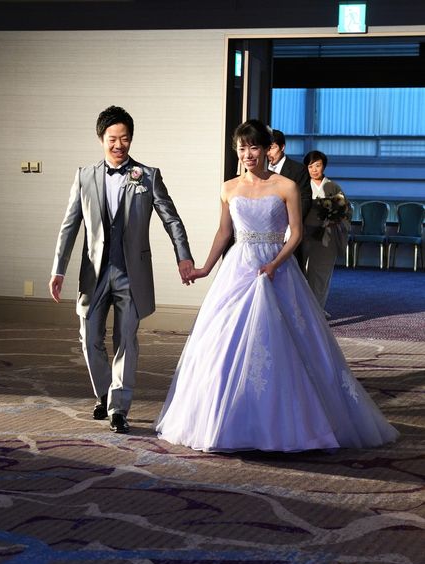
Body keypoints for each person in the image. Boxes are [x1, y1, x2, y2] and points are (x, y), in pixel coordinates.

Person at [155, 119, 398, 453]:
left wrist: (275, 263)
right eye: (242, 148)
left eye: (253, 147)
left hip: (277, 268)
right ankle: (225, 422)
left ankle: (295, 425)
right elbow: (224, 233)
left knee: (285, 342)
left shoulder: (286, 186)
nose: (248, 154)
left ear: (266, 150)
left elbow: (295, 233)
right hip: (239, 268)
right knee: (223, 343)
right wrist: (205, 268)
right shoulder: (228, 188)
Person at [49, 105, 194, 434]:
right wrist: (58, 269)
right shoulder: (84, 176)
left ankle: (118, 408)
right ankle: (104, 393)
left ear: (131, 139)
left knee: (126, 339)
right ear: (101, 139)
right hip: (94, 274)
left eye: (124, 138)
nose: (118, 145)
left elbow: (171, 219)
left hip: (132, 274)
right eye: (112, 139)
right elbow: (70, 226)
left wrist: (183, 256)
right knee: (89, 338)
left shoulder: (148, 176)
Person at [302, 150, 352, 315]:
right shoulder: (302, 186)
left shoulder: (333, 186)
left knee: (322, 273)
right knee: (303, 272)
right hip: (305, 234)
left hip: (327, 235)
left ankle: (317, 309)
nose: (314, 169)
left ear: (324, 166)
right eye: (310, 166)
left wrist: (335, 218)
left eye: (318, 165)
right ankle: (305, 308)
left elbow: (346, 210)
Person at [268, 129, 312, 271]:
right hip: (267, 230)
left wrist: (291, 225)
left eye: (272, 147)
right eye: (266, 148)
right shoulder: (260, 170)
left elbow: (305, 199)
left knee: (291, 272)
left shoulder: (298, 169)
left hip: (289, 229)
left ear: (282, 147)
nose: (268, 152)